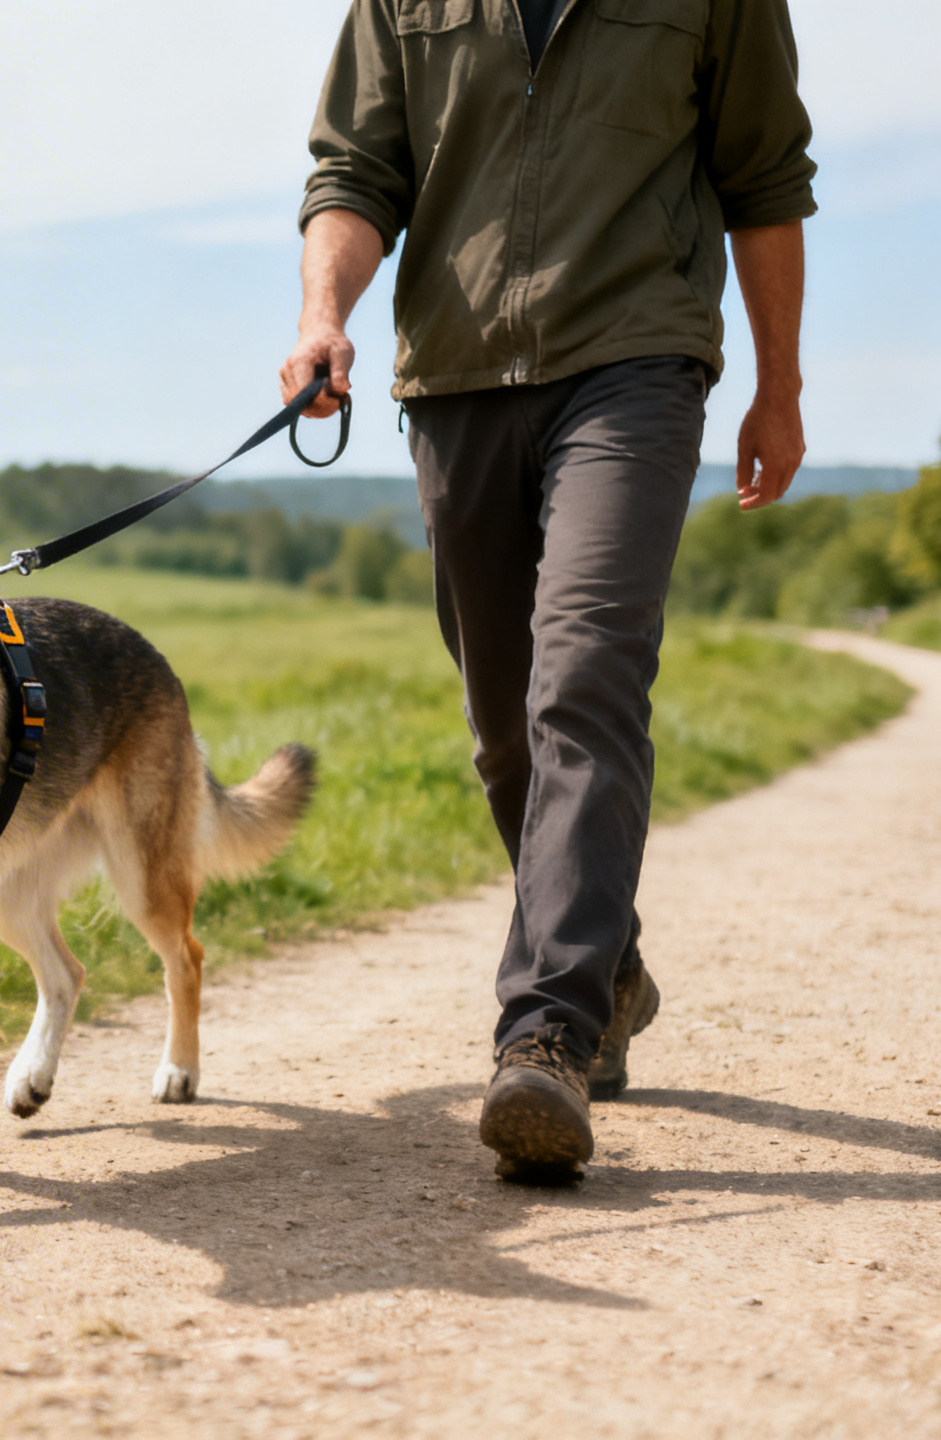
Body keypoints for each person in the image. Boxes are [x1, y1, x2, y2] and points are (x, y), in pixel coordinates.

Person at [280, 0, 815, 1180]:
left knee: (585, 672)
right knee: (506, 730)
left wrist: (775, 385)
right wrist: (324, 316)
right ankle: (607, 963)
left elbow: (764, 176)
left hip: (634, 362)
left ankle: (547, 1035)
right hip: (457, 374)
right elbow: (357, 172)